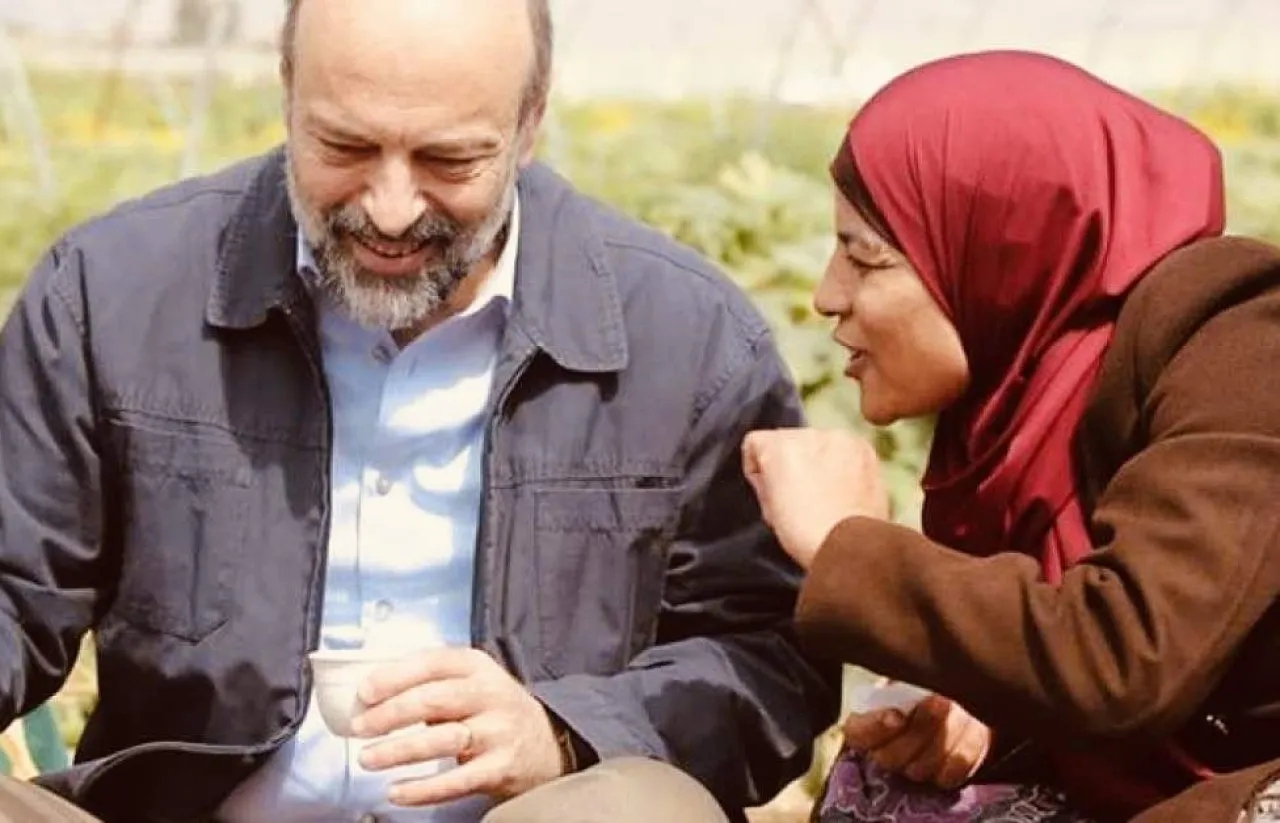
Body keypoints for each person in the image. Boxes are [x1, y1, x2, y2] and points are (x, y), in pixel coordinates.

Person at [0, 0, 838, 820]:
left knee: (638, 809)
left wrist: (566, 733)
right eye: (344, 146)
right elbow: (12, 584)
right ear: (286, 93)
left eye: (449, 161)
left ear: (530, 124)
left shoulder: (686, 340)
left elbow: (769, 656)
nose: (391, 208)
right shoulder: (112, 294)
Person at [741, 50, 1280, 822]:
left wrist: (844, 541)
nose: (828, 295)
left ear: (1002, 243)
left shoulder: (1235, 335)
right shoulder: (1011, 424)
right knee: (891, 789)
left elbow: (1128, 658)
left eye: (864, 257)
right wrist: (993, 720)